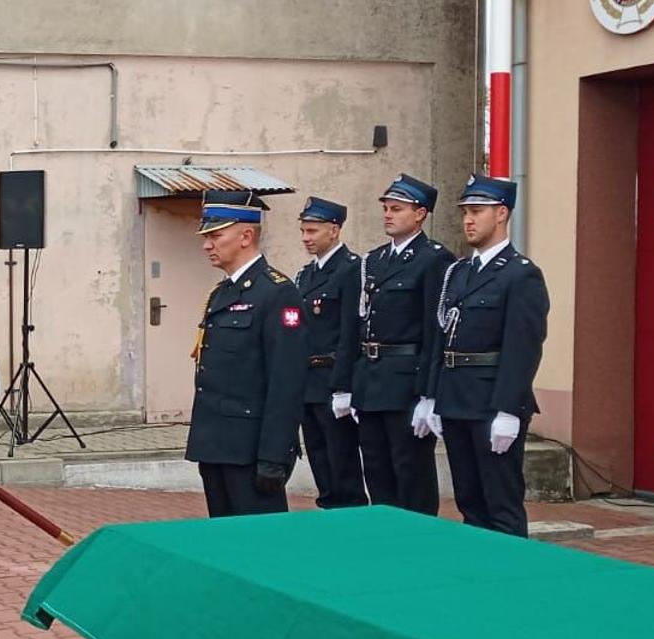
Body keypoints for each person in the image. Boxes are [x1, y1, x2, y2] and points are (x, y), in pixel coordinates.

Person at [428, 174, 549, 537]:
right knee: (470, 500)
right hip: (456, 398)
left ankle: (512, 580)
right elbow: (443, 335)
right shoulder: (459, 272)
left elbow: (523, 347)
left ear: (501, 214)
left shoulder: (520, 274)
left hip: (491, 400)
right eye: (465, 211)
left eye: (476, 211)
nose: (467, 219)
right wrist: (434, 395)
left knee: (501, 502)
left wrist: (508, 410)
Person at [331, 174, 456, 515]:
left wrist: (429, 396)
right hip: (371, 380)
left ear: (420, 214)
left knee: (410, 472)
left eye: (397, 209)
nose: (388, 214)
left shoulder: (434, 259)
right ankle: (385, 539)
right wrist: (347, 384)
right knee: (375, 467)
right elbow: (357, 327)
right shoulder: (374, 260)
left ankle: (418, 545)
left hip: (406, 383)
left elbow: (435, 331)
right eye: (386, 208)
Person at [183, 190, 306, 517]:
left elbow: (287, 381)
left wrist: (274, 455)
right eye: (206, 236)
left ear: (246, 235)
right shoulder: (220, 293)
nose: (207, 245)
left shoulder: (277, 292)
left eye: (215, 235)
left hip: (250, 450)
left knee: (262, 550)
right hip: (217, 445)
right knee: (226, 547)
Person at [293, 199, 369, 509]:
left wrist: (343, 387)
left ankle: (350, 519)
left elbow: (350, 330)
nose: (306, 238)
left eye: (312, 230)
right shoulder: (306, 275)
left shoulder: (351, 269)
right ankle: (327, 511)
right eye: (302, 231)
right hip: (309, 380)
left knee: (342, 462)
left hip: (333, 378)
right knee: (319, 457)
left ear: (334, 230)